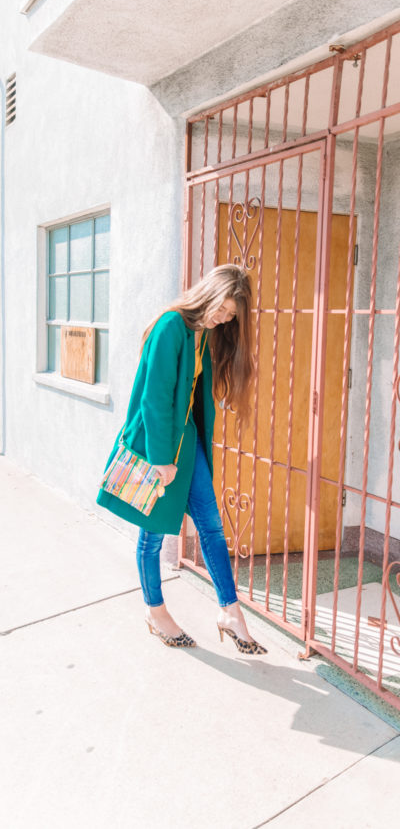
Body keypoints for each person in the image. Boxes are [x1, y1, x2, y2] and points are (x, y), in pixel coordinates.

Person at [97, 264, 266, 655]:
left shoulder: (202, 334)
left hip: (186, 444)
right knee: (152, 531)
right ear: (207, 293)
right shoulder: (171, 326)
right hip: (160, 447)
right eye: (221, 309)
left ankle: (230, 610)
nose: (222, 319)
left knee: (210, 524)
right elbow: (153, 396)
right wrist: (160, 460)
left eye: (229, 316)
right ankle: (155, 611)